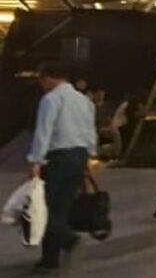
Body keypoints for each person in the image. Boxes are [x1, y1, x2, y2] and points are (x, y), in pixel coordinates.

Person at [26, 61, 97, 273]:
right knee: (62, 206)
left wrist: (35, 160)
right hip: (79, 154)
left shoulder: (51, 99)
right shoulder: (84, 101)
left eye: (41, 80)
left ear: (48, 78)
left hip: (58, 158)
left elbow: (43, 132)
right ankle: (49, 259)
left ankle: (69, 240)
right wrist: (89, 159)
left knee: (44, 207)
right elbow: (89, 132)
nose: (41, 85)